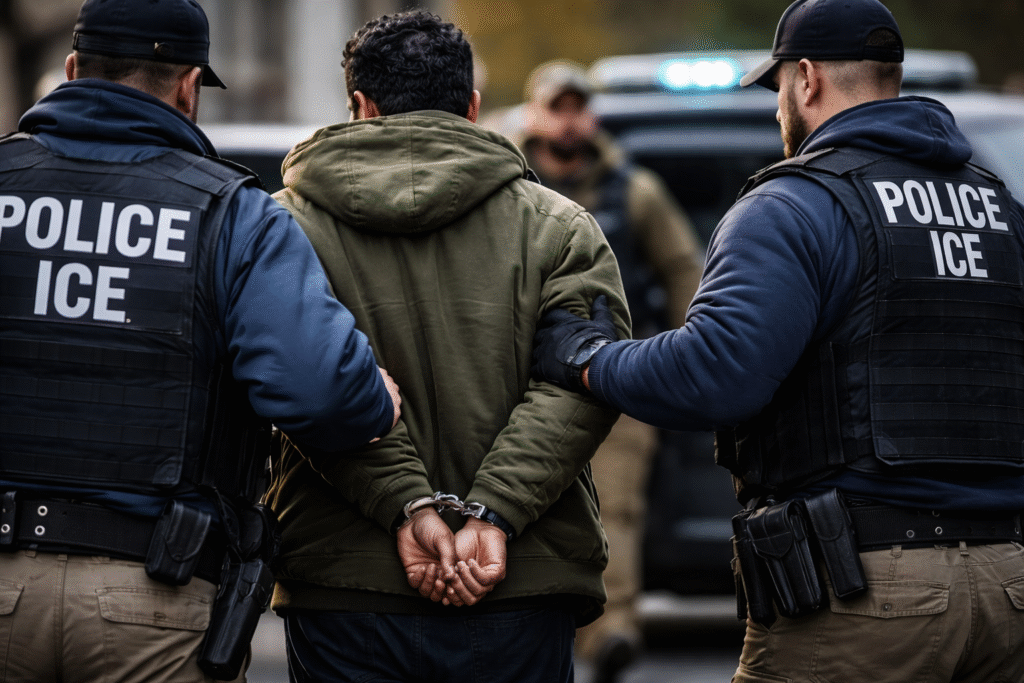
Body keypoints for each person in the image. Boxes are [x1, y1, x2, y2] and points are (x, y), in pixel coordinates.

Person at [531, 1, 1024, 682]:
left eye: (777, 88)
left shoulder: (791, 206)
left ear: (807, 79)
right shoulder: (1000, 207)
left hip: (867, 593)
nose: (776, 110)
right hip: (1012, 586)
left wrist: (588, 358)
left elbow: (718, 370)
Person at [0, 0, 402, 680]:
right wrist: (374, 401)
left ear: (72, 69)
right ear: (188, 86)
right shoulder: (232, 214)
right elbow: (320, 389)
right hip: (151, 595)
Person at [262, 10, 629, 683]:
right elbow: (579, 385)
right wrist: (492, 514)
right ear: (473, 106)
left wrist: (409, 505)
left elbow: (307, 384)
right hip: (520, 583)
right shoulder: (563, 226)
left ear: (359, 106)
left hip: (349, 590)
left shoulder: (282, 228)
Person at [518, 60, 704, 682]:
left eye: (578, 108)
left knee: (612, 513)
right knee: (517, 506)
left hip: (617, 377)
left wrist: (689, 355)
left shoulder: (635, 191)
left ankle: (612, 632)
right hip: (522, 380)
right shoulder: (505, 180)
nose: (569, 121)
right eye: (557, 107)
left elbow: (685, 272)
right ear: (535, 114)